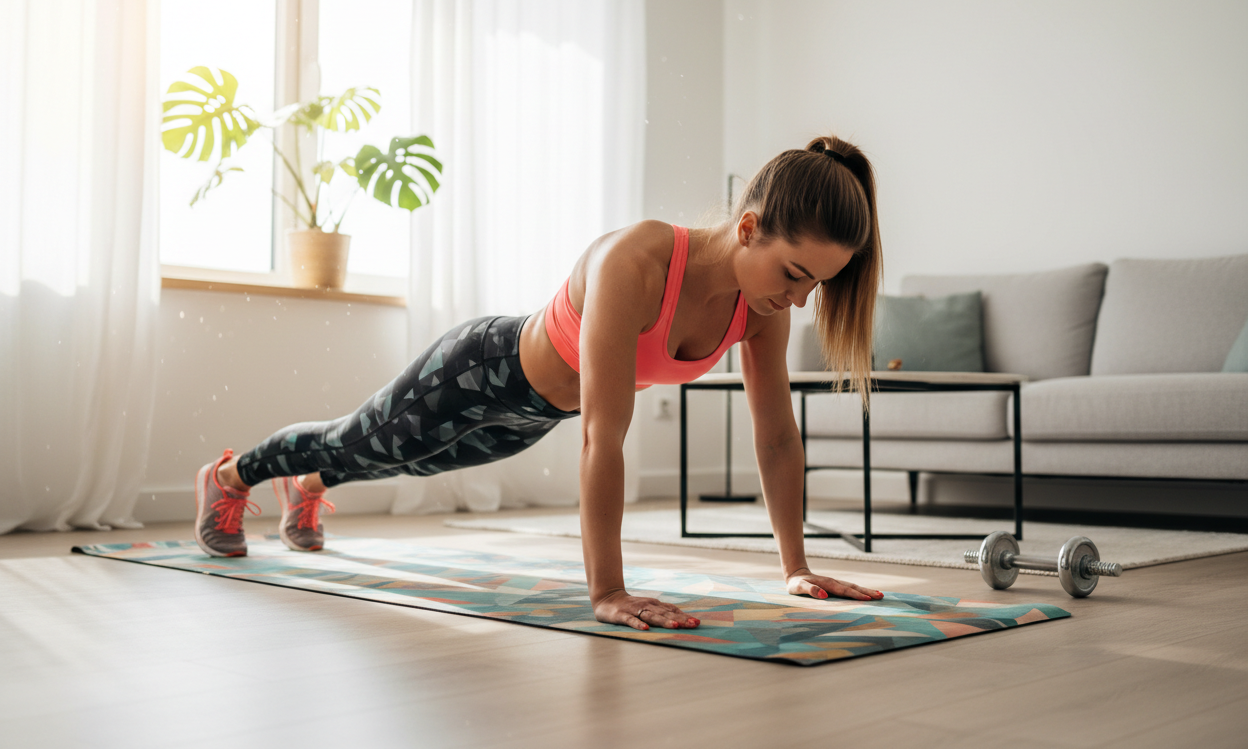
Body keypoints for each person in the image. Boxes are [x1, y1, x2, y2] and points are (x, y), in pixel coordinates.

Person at [194, 135, 886, 631]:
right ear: (748, 227)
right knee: (356, 441)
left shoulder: (759, 308)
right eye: (795, 275)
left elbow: (774, 439)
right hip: (478, 371)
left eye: (815, 287)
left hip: (531, 416)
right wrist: (608, 590)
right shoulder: (637, 261)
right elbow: (603, 437)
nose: (798, 301)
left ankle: (308, 489)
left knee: (403, 461)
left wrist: (795, 567)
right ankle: (230, 477)